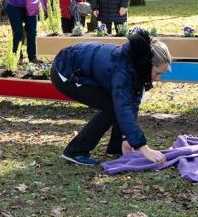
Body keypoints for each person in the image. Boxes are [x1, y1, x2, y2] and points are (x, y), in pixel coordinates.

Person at [51, 28, 172, 166]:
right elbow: (123, 108)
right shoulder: (124, 72)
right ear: (147, 64)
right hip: (65, 72)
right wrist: (143, 148)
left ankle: (116, 147)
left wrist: (127, 139)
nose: (158, 78)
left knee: (117, 105)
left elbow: (132, 102)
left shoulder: (136, 66)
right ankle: (76, 151)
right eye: (157, 73)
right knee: (113, 107)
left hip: (81, 67)